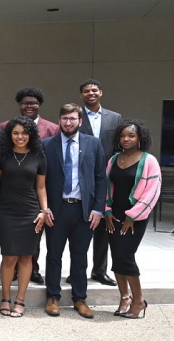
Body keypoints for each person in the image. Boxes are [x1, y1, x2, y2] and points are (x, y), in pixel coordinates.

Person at [42, 104, 106, 319]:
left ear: (80, 121)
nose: (68, 122)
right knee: (54, 254)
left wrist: (99, 209)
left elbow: (100, 178)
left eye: (72, 119)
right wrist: (44, 208)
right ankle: (52, 297)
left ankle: (80, 298)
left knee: (80, 256)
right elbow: (40, 180)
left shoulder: (94, 144)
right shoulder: (47, 145)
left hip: (84, 210)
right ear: (59, 120)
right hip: (56, 210)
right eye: (64, 118)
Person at [0, 116, 48, 317]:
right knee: (9, 257)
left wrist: (44, 211)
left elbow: (41, 187)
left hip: (30, 212)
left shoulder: (39, 156)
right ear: (10, 134)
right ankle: (5, 298)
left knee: (26, 257)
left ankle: (20, 300)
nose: (20, 136)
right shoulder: (2, 156)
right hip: (7, 212)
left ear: (30, 134)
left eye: (24, 133)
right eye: (15, 133)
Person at [0, 86, 58, 285]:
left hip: (36, 183)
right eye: (25, 103)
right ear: (19, 105)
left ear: (39, 105)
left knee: (32, 240)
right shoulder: (5, 126)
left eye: (33, 103)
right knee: (10, 248)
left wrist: (45, 207)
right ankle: (13, 271)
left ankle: (33, 268)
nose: (29, 106)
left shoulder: (52, 128)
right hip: (10, 192)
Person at [105, 119, 161, 319]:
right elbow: (106, 187)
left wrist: (132, 216)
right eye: (122, 135)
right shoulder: (114, 160)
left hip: (135, 217)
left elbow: (151, 193)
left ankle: (138, 301)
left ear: (140, 138)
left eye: (131, 135)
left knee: (126, 256)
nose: (126, 139)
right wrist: (107, 211)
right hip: (114, 216)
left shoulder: (148, 161)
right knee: (116, 257)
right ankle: (124, 298)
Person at [78, 79, 123, 287]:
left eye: (94, 90)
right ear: (81, 95)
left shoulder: (115, 118)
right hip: (81, 177)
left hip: (106, 178)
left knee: (104, 227)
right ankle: (77, 269)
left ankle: (99, 271)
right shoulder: (75, 117)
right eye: (86, 91)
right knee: (81, 226)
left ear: (101, 92)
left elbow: (119, 146)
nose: (91, 93)